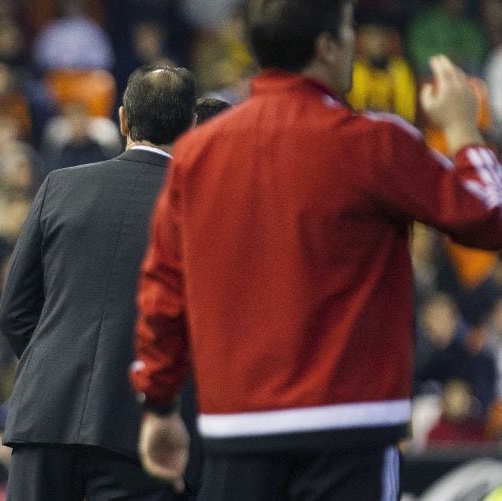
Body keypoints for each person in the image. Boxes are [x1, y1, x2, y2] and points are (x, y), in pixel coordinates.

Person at [129, 1, 502, 499]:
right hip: (350, 431)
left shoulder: (198, 154)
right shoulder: (376, 145)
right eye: (348, 28)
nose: (354, 40)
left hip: (238, 430)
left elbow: (163, 291)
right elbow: (486, 217)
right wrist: (461, 128)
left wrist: (159, 405)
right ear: (327, 46)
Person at [0, 65, 198, 500]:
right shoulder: (200, 207)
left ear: (123, 119)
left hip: (44, 419)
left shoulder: (60, 186)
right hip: (140, 433)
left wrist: (54, 367)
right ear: (192, 126)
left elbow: (14, 312)